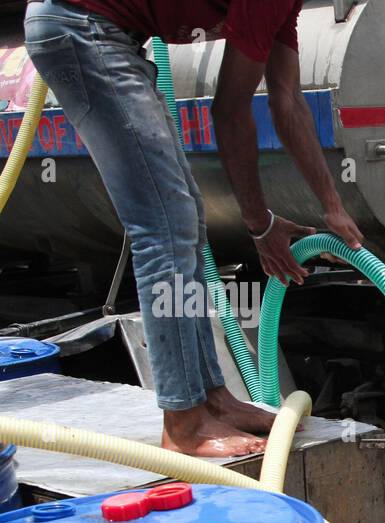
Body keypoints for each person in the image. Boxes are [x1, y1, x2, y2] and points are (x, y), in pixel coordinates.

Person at [24, 1, 364, 458]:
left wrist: (332, 207)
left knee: (184, 218)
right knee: (162, 226)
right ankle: (183, 422)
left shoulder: (287, 7)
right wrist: (258, 223)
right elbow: (229, 110)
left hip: (107, 35)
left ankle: (211, 399)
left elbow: (287, 99)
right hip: (81, 27)